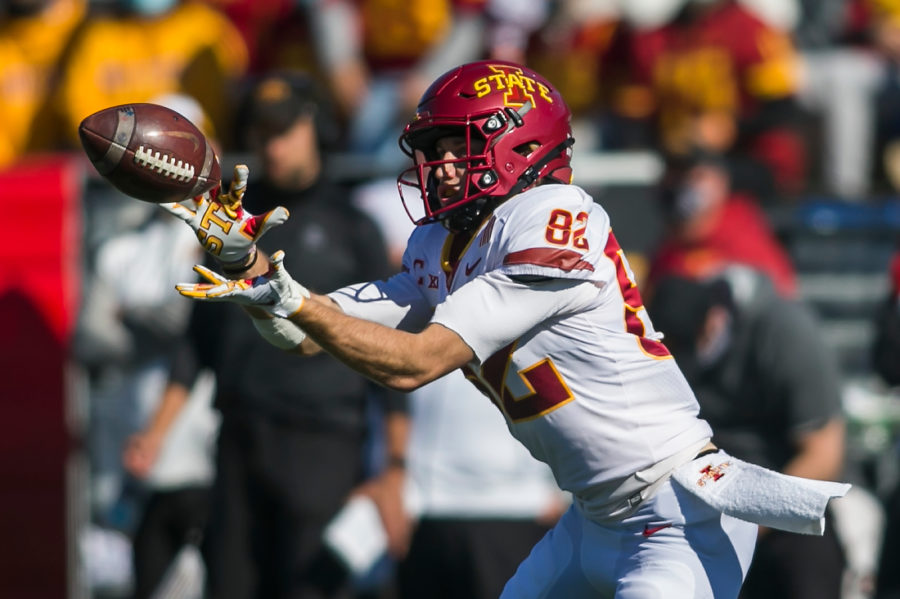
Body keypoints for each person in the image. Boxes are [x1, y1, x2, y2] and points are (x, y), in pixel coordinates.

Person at [170, 60, 849, 598]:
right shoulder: (443, 242)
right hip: (590, 518)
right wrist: (254, 269)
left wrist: (293, 300)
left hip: (674, 512)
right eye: (429, 150)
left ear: (516, 141)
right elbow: (314, 331)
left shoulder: (555, 216)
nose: (433, 167)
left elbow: (415, 363)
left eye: (452, 147)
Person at [149, 71, 405, 599]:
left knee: (309, 588)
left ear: (315, 127)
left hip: (324, 439)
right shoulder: (230, 221)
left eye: (285, 129)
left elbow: (388, 351)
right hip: (241, 432)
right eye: (262, 132)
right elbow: (198, 339)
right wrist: (157, 432)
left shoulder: (352, 225)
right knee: (231, 584)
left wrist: (395, 469)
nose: (274, 144)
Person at [646, 268, 848, 599]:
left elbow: (824, 454)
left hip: (784, 504)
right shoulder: (667, 357)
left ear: (712, 320)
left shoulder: (783, 331)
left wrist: (748, 520)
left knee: (808, 559)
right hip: (705, 510)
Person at [647, 151, 798, 298]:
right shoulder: (668, 250)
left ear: (721, 183)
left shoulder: (743, 236)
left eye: (694, 177)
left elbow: (780, 299)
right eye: (674, 175)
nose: (680, 186)